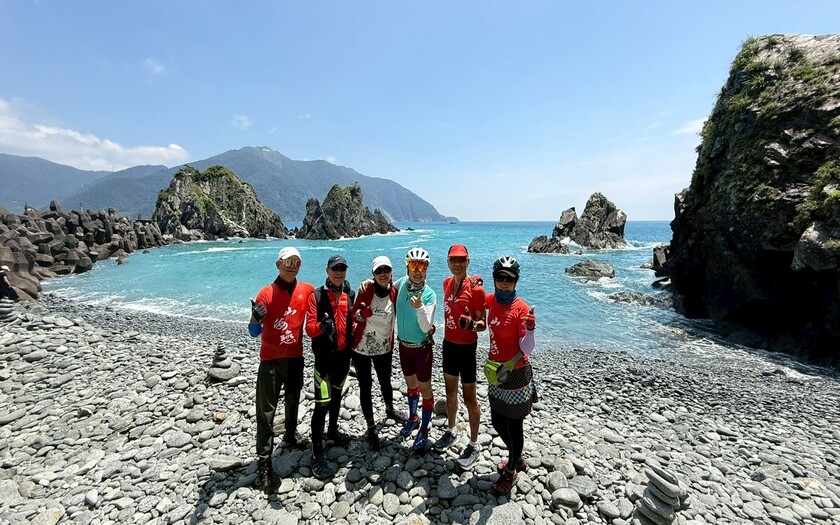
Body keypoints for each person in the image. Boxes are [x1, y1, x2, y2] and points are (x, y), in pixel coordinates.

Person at [248, 247, 314, 492]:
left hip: (295, 358)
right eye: (288, 261)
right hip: (271, 361)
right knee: (266, 413)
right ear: (278, 264)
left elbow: (324, 299)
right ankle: (264, 463)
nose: (292, 265)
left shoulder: (306, 290)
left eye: (296, 261)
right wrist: (255, 317)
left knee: (293, 399)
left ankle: (290, 434)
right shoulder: (266, 293)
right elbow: (253, 332)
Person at [484, 255, 537, 496]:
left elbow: (526, 348)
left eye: (510, 279)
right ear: (494, 279)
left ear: (516, 281)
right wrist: (472, 282)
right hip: (496, 370)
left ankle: (510, 471)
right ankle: (517, 457)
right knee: (497, 421)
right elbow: (474, 303)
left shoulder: (521, 309)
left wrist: (531, 329)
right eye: (500, 278)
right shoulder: (491, 300)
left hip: (515, 373)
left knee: (515, 426)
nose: (505, 283)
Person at [433, 244, 486, 470]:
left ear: (468, 262)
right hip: (448, 346)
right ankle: (451, 430)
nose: (457, 264)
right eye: (453, 260)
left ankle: (474, 444)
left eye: (461, 260)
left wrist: (472, 325)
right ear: (448, 262)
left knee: (469, 398)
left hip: (467, 349)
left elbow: (482, 324)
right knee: (450, 393)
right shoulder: (446, 283)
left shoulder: (476, 289)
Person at [305, 254, 356, 479]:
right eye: (335, 269)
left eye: (342, 269)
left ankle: (333, 432)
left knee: (336, 396)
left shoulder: (349, 294)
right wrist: (322, 327)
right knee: (322, 404)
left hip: (343, 358)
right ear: (327, 271)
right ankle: (316, 452)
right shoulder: (316, 296)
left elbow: (354, 321)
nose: (339, 272)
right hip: (324, 361)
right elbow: (309, 328)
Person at [350, 255, 407, 450]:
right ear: (373, 274)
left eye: (386, 270)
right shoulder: (366, 290)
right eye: (378, 271)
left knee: (385, 381)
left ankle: (390, 410)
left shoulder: (395, 292)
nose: (383, 274)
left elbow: (414, 279)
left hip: (384, 348)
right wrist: (362, 314)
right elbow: (354, 315)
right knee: (365, 386)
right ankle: (371, 427)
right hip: (361, 348)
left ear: (391, 273)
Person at [394, 247, 437, 453]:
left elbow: (426, 326)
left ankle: (424, 429)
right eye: (413, 266)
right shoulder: (401, 283)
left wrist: (419, 307)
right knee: (411, 384)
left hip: (421, 349)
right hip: (404, 346)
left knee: (425, 389)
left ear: (427, 268)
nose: (418, 271)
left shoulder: (429, 294)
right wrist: (368, 284)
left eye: (422, 266)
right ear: (407, 267)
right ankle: (413, 417)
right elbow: (384, 288)